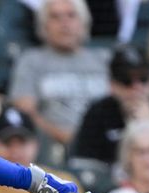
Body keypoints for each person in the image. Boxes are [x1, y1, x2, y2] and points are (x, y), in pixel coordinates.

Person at [9, 0, 110, 147]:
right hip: (51, 147)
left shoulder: (103, 59)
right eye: (55, 17)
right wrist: (64, 137)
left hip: (103, 145)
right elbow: (25, 111)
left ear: (84, 22)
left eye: (71, 15)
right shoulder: (30, 61)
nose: (64, 23)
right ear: (44, 26)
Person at [71, 44, 149, 165]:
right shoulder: (98, 113)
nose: (136, 87)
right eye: (126, 80)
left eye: (143, 79)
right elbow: (84, 164)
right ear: (112, 85)